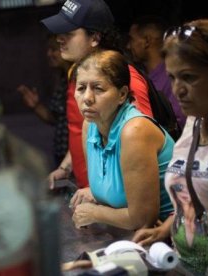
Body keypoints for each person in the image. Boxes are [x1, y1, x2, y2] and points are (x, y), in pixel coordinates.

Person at [132, 19, 208, 275]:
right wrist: (166, 228)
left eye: (188, 77)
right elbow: (197, 195)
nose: (177, 90)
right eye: (172, 77)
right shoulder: (195, 120)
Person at [41, 0, 153, 190]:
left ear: (94, 38)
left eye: (68, 33)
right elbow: (84, 128)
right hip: (93, 193)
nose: (59, 38)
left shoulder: (125, 78)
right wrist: (66, 166)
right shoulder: (80, 73)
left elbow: (144, 142)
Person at [69, 49, 174, 230]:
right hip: (129, 237)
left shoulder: (135, 131)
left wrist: (93, 213)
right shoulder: (90, 125)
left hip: (171, 240)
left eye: (98, 88)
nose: (87, 98)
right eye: (81, 88)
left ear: (122, 94)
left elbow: (142, 220)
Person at [17, 35, 71, 165]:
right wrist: (35, 106)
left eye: (53, 49)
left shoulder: (79, 80)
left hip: (75, 157)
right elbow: (57, 119)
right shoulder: (62, 80)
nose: (49, 54)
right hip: (62, 155)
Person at [127, 15, 186, 129]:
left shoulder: (171, 77)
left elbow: (180, 120)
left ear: (147, 41)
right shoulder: (142, 76)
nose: (128, 46)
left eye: (132, 39)